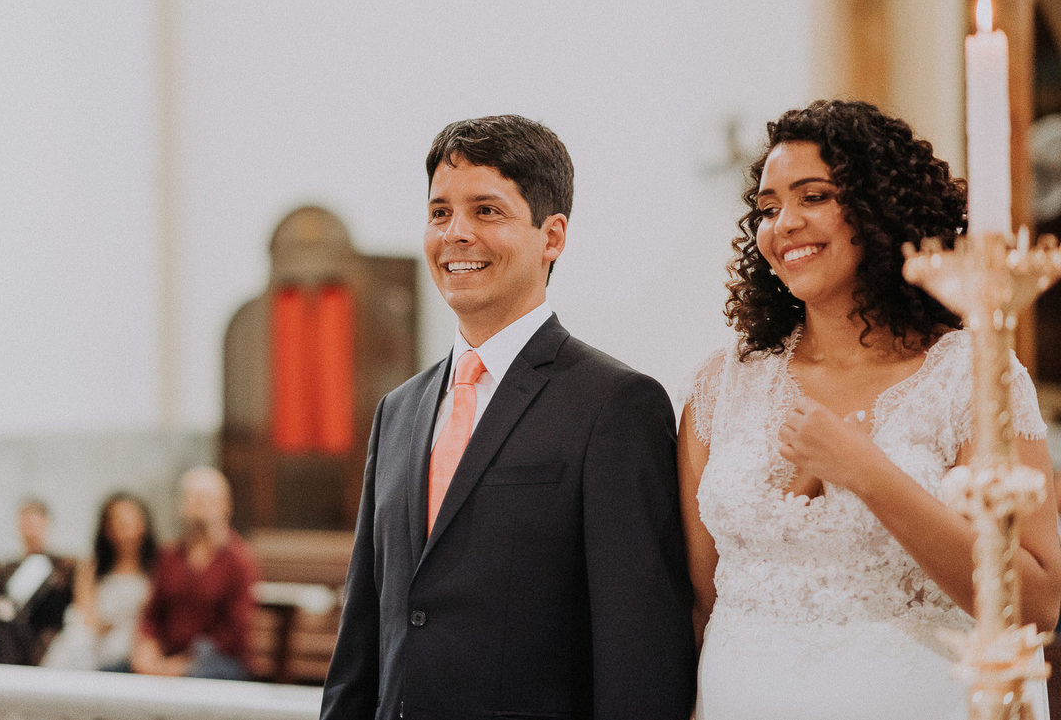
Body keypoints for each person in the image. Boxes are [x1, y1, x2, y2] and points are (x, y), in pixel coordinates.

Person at [678, 99, 1061, 720]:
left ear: (881, 206)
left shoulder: (973, 375)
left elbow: (1037, 600)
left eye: (814, 196)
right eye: (768, 208)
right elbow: (703, 597)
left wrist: (869, 474)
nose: (784, 224)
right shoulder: (722, 386)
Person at [321, 114, 695, 720]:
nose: (455, 233)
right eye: (439, 212)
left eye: (487, 211)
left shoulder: (614, 406)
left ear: (552, 236)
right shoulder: (400, 411)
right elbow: (363, 630)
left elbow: (639, 653)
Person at [128, 466, 257, 680]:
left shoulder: (238, 560)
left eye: (207, 499)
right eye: (193, 499)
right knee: (109, 674)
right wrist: (147, 647)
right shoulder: (169, 556)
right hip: (167, 655)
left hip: (218, 660)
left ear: (225, 505)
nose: (200, 508)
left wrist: (183, 664)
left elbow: (234, 629)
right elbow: (152, 614)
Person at [41, 492, 157, 670]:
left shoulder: (156, 569)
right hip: (93, 639)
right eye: (118, 522)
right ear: (107, 529)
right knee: (77, 640)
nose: (125, 530)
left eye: (131, 522)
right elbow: (85, 613)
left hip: (134, 641)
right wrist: (100, 628)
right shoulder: (91, 567)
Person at [0, 498, 76, 666]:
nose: (30, 531)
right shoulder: (5, 570)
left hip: (47, 653)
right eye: (25, 524)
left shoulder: (64, 568)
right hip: (5, 651)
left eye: (34, 523)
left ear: (46, 524)